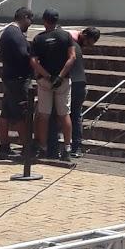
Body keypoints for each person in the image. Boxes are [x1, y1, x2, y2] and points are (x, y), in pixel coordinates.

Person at [30, 9, 76, 164]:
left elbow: (34, 62)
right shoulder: (66, 36)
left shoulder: (39, 38)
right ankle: (67, 148)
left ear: (44, 20)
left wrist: (48, 76)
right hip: (63, 80)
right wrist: (60, 76)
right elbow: (72, 57)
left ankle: (43, 147)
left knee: (44, 115)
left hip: (45, 80)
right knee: (64, 114)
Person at [0, 7, 34, 159]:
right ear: (25, 17)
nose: (30, 24)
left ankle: (4, 145)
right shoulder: (15, 34)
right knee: (20, 112)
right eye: (30, 20)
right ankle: (27, 146)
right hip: (17, 79)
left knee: (6, 112)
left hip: (9, 76)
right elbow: (24, 55)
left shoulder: (8, 32)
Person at [69, 26, 101, 157]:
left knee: (75, 115)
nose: (86, 46)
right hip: (72, 81)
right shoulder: (70, 39)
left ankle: (76, 146)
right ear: (84, 34)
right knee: (72, 115)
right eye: (87, 42)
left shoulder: (76, 43)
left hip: (77, 82)